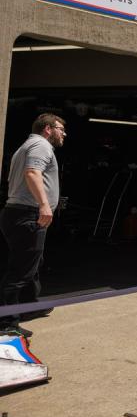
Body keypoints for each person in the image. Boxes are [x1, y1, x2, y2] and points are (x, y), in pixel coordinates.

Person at [0, 114, 66, 336]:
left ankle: (30, 305)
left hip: (18, 213)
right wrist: (44, 205)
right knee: (21, 271)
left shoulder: (25, 147)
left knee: (32, 263)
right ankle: (6, 323)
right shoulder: (41, 145)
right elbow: (32, 173)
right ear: (48, 129)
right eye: (60, 129)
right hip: (27, 214)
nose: (63, 133)